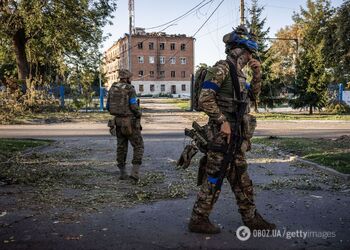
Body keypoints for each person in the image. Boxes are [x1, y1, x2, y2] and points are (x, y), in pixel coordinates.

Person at [188, 26, 276, 234]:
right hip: (222, 136)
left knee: (242, 179)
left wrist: (257, 74)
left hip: (236, 136)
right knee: (214, 178)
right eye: (248, 53)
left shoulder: (240, 75)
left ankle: (251, 217)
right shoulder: (222, 68)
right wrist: (221, 121)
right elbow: (205, 98)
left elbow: (252, 97)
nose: (249, 57)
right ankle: (198, 218)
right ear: (238, 50)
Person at [107, 69, 144, 181]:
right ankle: (135, 174)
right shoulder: (130, 89)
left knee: (121, 147)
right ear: (127, 78)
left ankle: (122, 173)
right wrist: (139, 113)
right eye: (130, 78)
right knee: (138, 146)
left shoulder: (113, 88)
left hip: (117, 122)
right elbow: (133, 105)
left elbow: (108, 107)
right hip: (130, 122)